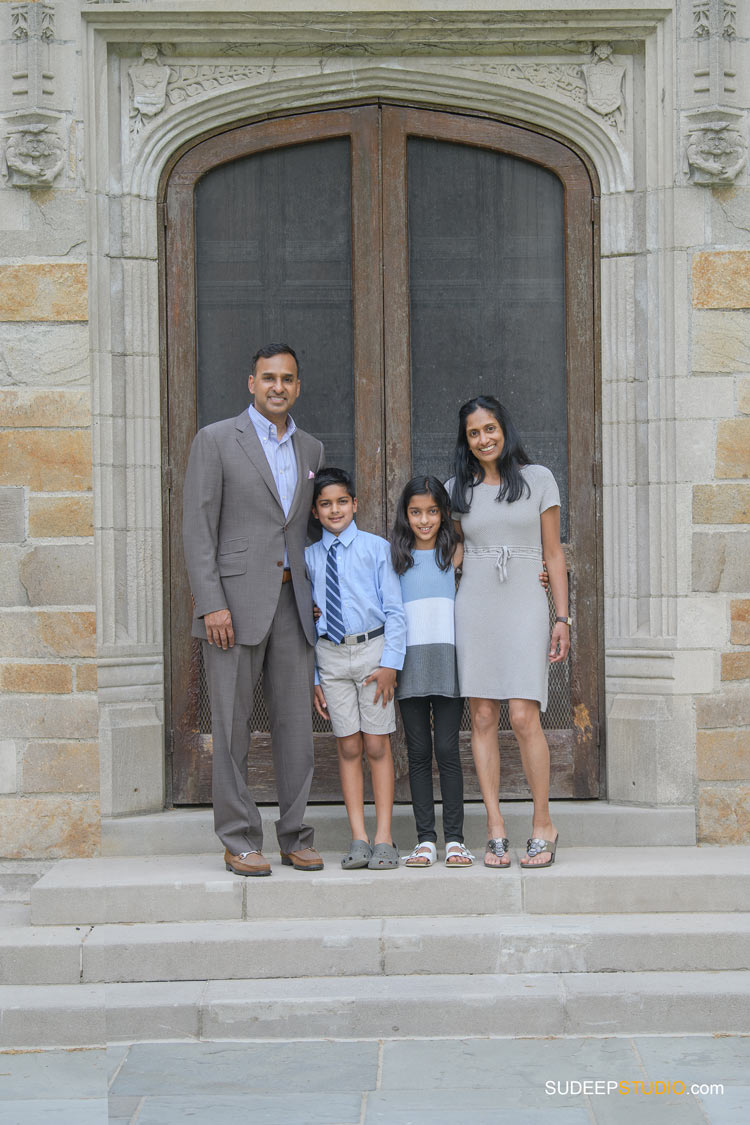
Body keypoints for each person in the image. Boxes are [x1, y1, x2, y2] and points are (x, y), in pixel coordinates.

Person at [182, 343, 325, 877]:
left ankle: (295, 835)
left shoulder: (310, 449)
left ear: (297, 386)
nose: (278, 387)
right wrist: (212, 603)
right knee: (233, 726)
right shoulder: (217, 440)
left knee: (296, 729)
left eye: (287, 378)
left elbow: (301, 527)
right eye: (268, 378)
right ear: (251, 383)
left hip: (293, 602)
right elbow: (198, 530)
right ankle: (239, 838)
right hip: (234, 608)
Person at [448, 395, 570, 870]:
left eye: (490, 428)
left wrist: (561, 616)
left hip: (523, 600)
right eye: (474, 433)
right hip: (474, 602)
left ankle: (543, 823)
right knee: (481, 716)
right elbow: (452, 552)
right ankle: (495, 825)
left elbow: (553, 554)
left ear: (504, 428)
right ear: (466, 440)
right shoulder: (455, 488)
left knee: (522, 714)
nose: (484, 439)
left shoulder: (539, 479)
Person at [306, 468, 407, 871]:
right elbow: (305, 619)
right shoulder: (310, 558)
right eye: (326, 504)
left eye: (342, 502)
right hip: (330, 658)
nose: (335, 510)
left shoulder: (375, 548)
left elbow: (395, 610)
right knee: (348, 745)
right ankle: (359, 838)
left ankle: (384, 836)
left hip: (373, 652)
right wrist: (315, 676)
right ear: (315, 511)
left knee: (377, 744)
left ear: (355, 504)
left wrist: (390, 665)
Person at [390, 476, 473, 869]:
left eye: (432, 512)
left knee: (447, 751)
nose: (424, 520)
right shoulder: (395, 558)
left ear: (443, 513)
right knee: (419, 752)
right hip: (408, 667)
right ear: (405, 515)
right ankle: (425, 839)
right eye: (416, 512)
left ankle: (455, 840)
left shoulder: (455, 554)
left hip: (448, 664)